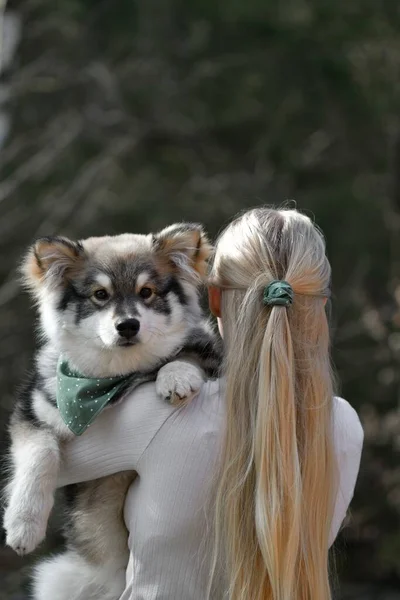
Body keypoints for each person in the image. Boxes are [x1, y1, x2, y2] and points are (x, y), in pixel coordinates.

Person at [50, 207, 363, 599]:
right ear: (321, 301)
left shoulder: (163, 411)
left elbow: (43, 462)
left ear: (213, 299)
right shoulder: (345, 424)